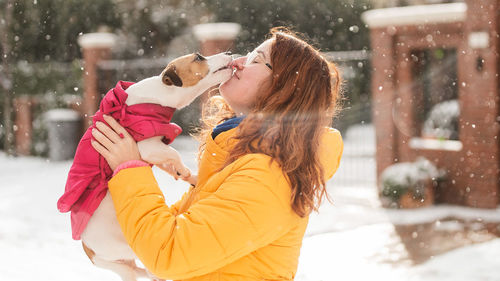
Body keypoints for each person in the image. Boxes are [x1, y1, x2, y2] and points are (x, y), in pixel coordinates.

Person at [90, 27, 344, 281]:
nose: (237, 62)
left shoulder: (268, 176)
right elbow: (160, 236)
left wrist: (130, 169)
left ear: (285, 88)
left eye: (256, 60)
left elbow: (169, 253)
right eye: (247, 54)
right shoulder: (242, 160)